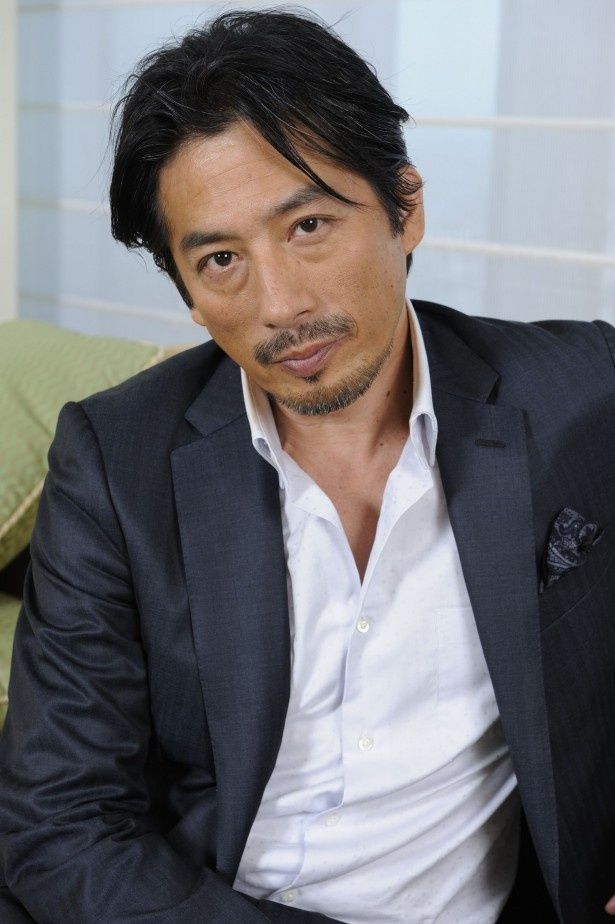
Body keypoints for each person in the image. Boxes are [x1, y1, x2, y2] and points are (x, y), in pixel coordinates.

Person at [0, 8, 614, 923]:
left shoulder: (581, 391)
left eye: (309, 225)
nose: (279, 304)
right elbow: (61, 824)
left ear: (404, 207)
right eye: (220, 258)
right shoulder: (114, 462)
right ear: (186, 289)